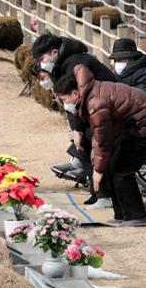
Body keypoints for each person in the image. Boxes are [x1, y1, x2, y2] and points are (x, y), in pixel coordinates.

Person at [53, 66, 146, 226]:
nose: (64, 103)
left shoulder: (95, 102)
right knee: (113, 165)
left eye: (63, 99)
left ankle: (136, 216)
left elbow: (102, 139)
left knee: (122, 169)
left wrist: (97, 170)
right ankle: (122, 215)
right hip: (135, 127)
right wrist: (98, 165)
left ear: (75, 94)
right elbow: (99, 136)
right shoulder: (89, 93)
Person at [32, 33, 117, 207]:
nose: (42, 63)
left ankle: (105, 195)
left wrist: (78, 130)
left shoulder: (76, 64)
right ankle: (97, 193)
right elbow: (69, 102)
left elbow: (78, 97)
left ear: (54, 52)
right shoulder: (59, 66)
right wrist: (75, 130)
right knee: (82, 150)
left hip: (105, 109)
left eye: (42, 58)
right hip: (89, 111)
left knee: (95, 151)